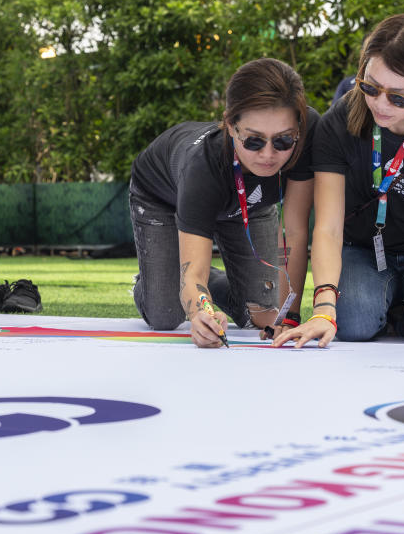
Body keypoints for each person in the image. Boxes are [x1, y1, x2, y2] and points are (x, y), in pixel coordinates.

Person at [275, 13, 404, 349]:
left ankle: (401, 309)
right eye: (370, 87)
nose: (379, 103)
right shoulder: (339, 122)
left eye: (398, 97)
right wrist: (323, 309)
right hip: (362, 248)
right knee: (353, 324)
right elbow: (328, 227)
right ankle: (388, 306)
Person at [129, 58, 319, 347]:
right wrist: (201, 312)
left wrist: (287, 317)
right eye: (254, 141)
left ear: (299, 128)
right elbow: (192, 274)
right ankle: (157, 273)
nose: (268, 155)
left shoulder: (310, 133)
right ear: (230, 125)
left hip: (249, 206)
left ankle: (211, 279)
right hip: (162, 199)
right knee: (166, 313)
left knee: (262, 312)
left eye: (283, 141)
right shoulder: (202, 168)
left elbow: (293, 232)